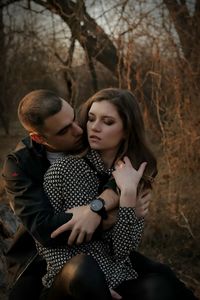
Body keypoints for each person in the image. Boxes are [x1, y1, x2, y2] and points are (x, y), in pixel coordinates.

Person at [2, 89, 197, 300]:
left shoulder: (91, 137)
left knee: (162, 279)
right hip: (38, 258)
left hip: (105, 253)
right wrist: (111, 215)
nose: (81, 129)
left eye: (77, 118)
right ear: (39, 138)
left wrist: (121, 197)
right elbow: (45, 230)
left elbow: (126, 157)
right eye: (64, 130)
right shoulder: (21, 165)